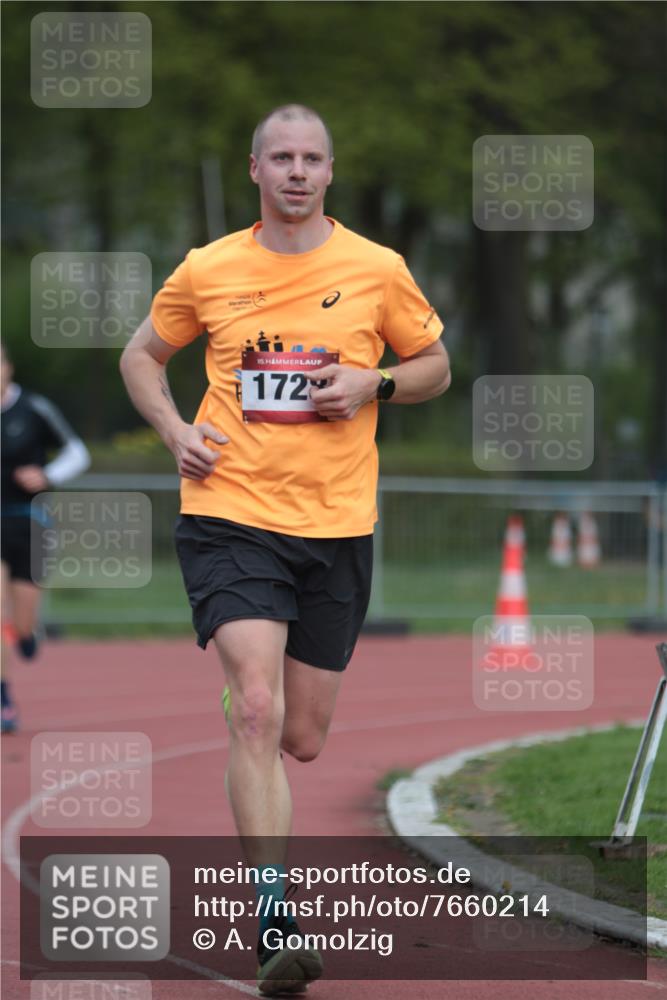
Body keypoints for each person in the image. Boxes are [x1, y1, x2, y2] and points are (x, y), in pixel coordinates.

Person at [120, 103, 451, 994]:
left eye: (312, 158)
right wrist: (172, 431)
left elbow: (434, 367)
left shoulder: (377, 269)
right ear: (256, 170)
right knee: (259, 707)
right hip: (229, 509)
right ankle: (273, 918)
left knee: (299, 737)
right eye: (282, 158)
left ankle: (254, 720)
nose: (297, 171)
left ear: (329, 173)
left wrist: (370, 379)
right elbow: (141, 358)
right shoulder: (209, 268)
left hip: (336, 525)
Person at [1, 343, 90, 733]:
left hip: (28, 524)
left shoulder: (34, 409)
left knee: (20, 622)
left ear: (8, 367)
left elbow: (77, 452)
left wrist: (48, 476)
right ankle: (4, 699)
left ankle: (28, 631)